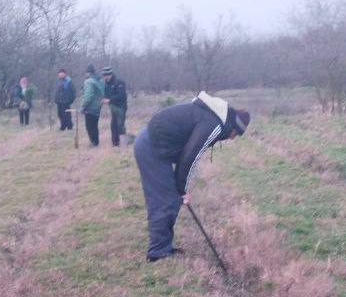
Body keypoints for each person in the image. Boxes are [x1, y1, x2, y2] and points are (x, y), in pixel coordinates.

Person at [134, 91, 250, 262]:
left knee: (169, 197)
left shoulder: (211, 117)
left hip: (155, 143)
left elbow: (186, 154)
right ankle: (158, 253)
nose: (232, 139)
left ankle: (163, 247)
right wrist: (182, 189)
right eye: (235, 134)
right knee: (165, 200)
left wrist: (180, 188)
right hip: (152, 146)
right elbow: (189, 157)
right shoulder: (213, 124)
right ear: (233, 127)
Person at [100, 66, 128, 147]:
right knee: (113, 124)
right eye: (103, 75)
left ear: (109, 75)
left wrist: (109, 100)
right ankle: (115, 143)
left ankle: (123, 143)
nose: (103, 77)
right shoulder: (106, 84)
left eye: (104, 75)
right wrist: (103, 99)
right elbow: (107, 95)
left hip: (121, 107)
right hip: (113, 107)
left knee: (120, 124)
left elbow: (122, 95)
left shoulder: (119, 82)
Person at [80, 64, 105, 146]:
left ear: (88, 73)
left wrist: (83, 107)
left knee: (89, 126)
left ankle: (93, 142)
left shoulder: (88, 81)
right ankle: (96, 142)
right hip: (98, 106)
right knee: (95, 125)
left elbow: (88, 96)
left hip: (90, 107)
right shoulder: (100, 80)